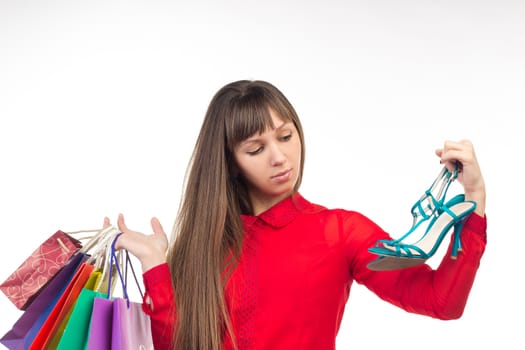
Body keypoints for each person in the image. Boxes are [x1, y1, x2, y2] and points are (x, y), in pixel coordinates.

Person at [105, 79, 487, 350]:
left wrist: (474, 199)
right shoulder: (201, 247)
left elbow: (442, 301)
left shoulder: (339, 232)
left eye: (286, 137)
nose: (279, 157)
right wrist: (156, 263)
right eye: (256, 149)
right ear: (231, 163)